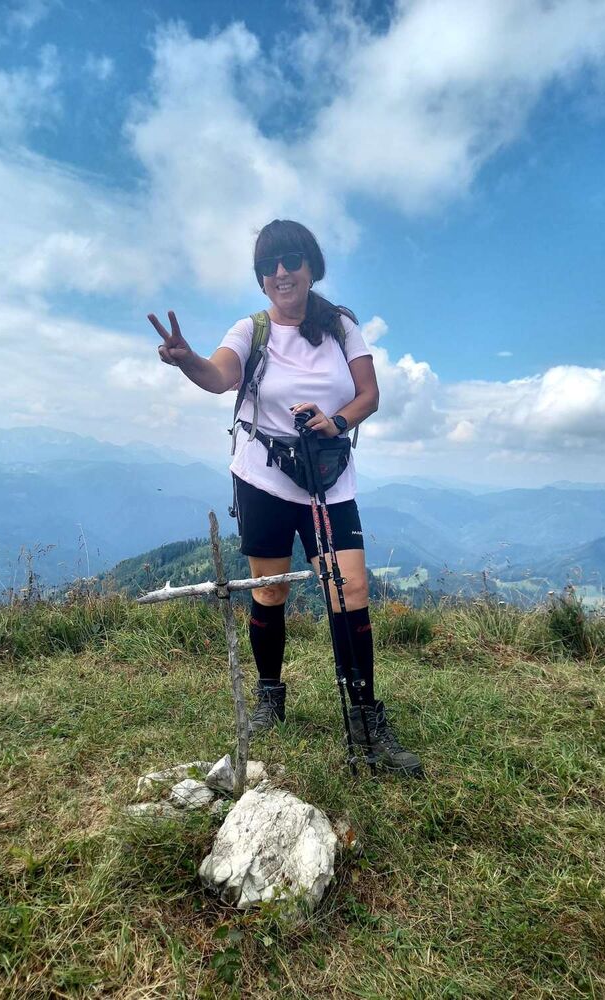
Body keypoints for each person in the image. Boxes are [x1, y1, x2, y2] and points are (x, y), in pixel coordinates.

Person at [149, 219, 422, 777]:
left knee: (350, 589)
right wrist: (187, 359)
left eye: (291, 260)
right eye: (268, 265)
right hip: (264, 478)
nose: (280, 272)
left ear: (311, 266)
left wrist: (335, 421)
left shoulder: (341, 325)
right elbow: (220, 377)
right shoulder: (250, 330)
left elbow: (369, 394)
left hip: (327, 476)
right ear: (260, 277)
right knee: (270, 590)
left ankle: (365, 717)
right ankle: (270, 695)